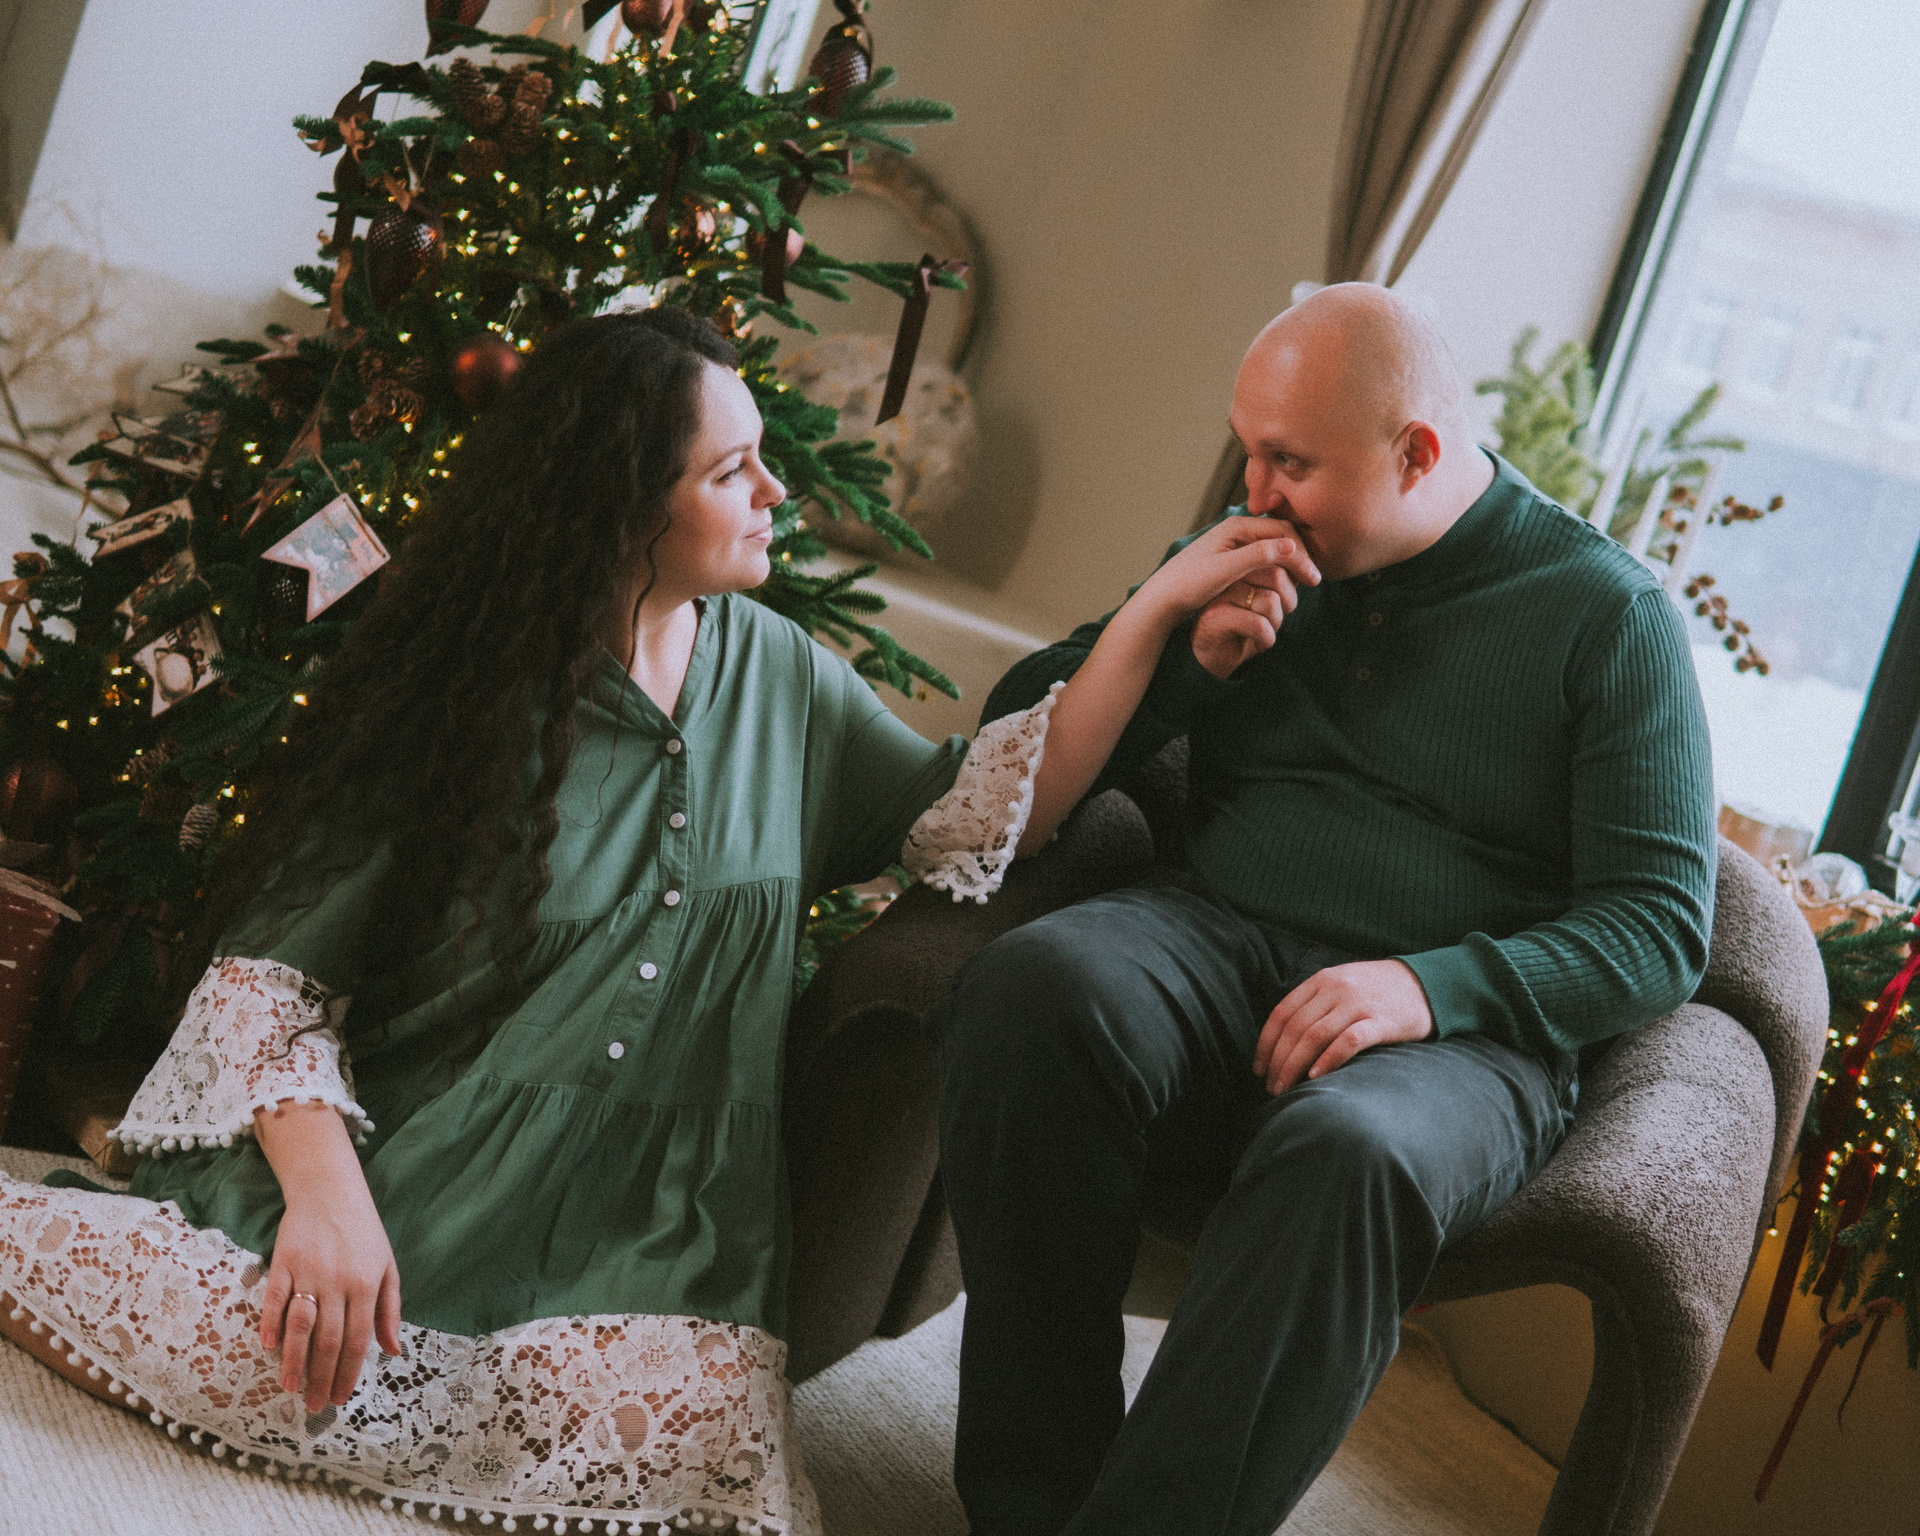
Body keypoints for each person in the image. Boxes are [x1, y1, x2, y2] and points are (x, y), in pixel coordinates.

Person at [0, 308, 1062, 1535]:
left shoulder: (786, 677)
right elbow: (270, 984)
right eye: (732, 471)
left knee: (699, 1460)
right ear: (625, 505)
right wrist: (331, 1211)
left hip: (657, 1229)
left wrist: (1160, 624)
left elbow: (977, 809)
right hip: (421, 1162)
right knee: (278, 1350)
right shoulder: (472, 692)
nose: (777, 492)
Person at [930, 283, 1717, 1536]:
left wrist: (1426, 986)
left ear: (1416, 454)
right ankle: (1028, 1503)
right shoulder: (1254, 550)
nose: (1255, 490)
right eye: (1248, 449)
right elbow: (1015, 732)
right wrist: (1172, 648)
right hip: (1215, 930)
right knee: (1034, 989)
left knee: (1349, 1151)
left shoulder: (1608, 616)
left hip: (1460, 1031)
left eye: (1290, 462)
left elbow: (1662, 926)